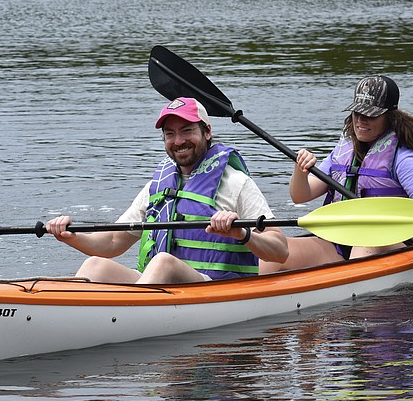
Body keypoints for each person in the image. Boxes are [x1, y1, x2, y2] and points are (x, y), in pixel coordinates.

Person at [47, 97, 288, 284]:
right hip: (161, 288)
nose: (178, 141)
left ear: (207, 132)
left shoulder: (236, 183)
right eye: (170, 134)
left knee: (163, 262)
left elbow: (280, 250)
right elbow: (112, 242)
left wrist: (242, 233)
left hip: (215, 287)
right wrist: (70, 236)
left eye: (187, 131)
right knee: (95, 266)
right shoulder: (158, 185)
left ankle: (124, 318)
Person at [260, 75, 413, 273]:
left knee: (366, 244)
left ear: (390, 117)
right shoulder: (342, 153)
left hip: (390, 243)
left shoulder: (404, 159)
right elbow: (300, 196)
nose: (361, 120)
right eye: (357, 112)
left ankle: (348, 296)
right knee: (274, 256)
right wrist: (300, 170)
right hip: (339, 243)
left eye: (370, 114)